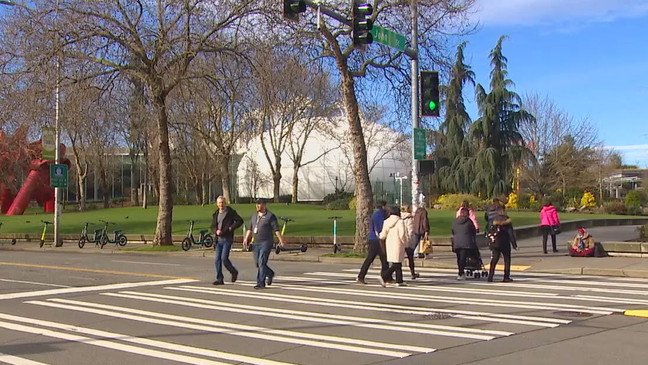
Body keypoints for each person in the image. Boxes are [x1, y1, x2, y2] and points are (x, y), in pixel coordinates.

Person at [241, 198, 286, 289]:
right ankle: (270, 273)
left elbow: (276, 229)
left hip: (266, 242)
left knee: (262, 262)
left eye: (260, 204)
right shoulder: (254, 216)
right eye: (257, 204)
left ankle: (260, 282)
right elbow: (250, 228)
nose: (257, 206)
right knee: (258, 263)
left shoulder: (270, 216)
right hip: (256, 243)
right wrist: (246, 238)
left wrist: (281, 240)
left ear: (265, 205)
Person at [211, 196, 244, 285]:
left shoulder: (230, 212)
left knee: (224, 258)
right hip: (218, 239)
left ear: (225, 203)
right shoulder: (216, 213)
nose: (221, 204)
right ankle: (219, 278)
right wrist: (215, 231)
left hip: (227, 238)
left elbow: (240, 221)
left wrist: (230, 228)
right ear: (217, 204)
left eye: (222, 202)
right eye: (219, 203)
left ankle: (233, 272)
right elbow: (213, 226)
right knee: (217, 259)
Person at [356, 200, 390, 284]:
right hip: (377, 239)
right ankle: (385, 277)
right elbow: (381, 227)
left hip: (372, 238)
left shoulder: (375, 214)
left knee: (377, 258)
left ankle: (362, 276)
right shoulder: (381, 215)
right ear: (383, 206)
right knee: (382, 258)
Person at [379, 206, 408, 287]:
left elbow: (383, 235)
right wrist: (405, 242)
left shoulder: (386, 221)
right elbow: (402, 234)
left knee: (397, 262)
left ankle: (399, 280)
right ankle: (384, 275)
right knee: (397, 263)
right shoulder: (400, 221)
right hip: (398, 243)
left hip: (390, 243)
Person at [487, 208, 518, 282]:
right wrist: (514, 245)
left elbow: (488, 231)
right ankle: (506, 277)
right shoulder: (507, 220)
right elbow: (510, 234)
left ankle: (490, 276)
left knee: (494, 259)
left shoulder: (493, 220)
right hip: (505, 243)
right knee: (507, 260)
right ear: (504, 212)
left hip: (495, 243)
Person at [452, 207, 478, 280]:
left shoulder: (455, 221)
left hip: (457, 242)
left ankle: (460, 271)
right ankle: (461, 272)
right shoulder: (469, 221)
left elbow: (453, 230)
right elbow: (473, 231)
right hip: (466, 242)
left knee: (459, 258)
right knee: (463, 258)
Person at [401, 205, 419, 279]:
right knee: (410, 258)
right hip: (407, 241)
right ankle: (412, 273)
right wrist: (411, 242)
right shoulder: (409, 218)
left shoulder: (400, 217)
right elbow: (410, 231)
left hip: (401, 241)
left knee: (399, 259)